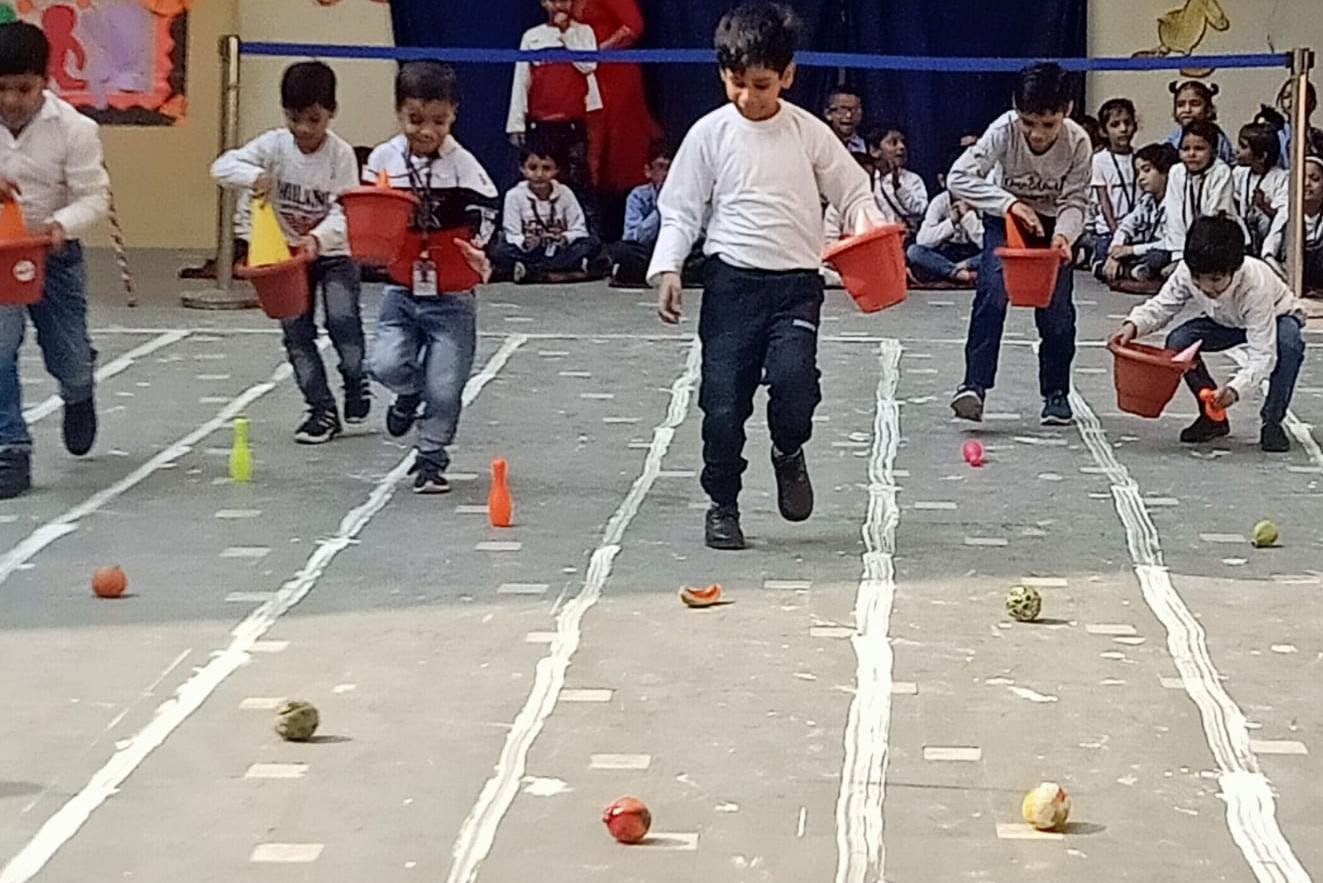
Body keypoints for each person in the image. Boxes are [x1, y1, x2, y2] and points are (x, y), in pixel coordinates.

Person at [648, 2, 885, 551]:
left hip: (796, 286)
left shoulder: (809, 133)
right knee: (722, 405)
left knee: (795, 384)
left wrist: (871, 236)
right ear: (722, 75)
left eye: (761, 84)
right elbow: (681, 208)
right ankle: (723, 504)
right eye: (737, 83)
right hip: (731, 286)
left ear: (788, 75)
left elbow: (853, 192)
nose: (749, 97)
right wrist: (669, 267)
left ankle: (788, 449)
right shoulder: (709, 134)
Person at [211, 61, 366, 445]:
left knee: (342, 318)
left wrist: (319, 239)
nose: (304, 129)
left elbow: (346, 210)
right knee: (296, 333)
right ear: (285, 114)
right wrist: (254, 176)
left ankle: (355, 376)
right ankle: (320, 409)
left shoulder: (341, 155)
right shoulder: (274, 146)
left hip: (333, 253)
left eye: (314, 120)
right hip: (284, 257)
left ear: (331, 112)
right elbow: (222, 167)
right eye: (295, 119)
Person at [363, 62, 498, 494]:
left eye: (439, 121)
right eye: (415, 119)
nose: (426, 131)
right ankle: (408, 393)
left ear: (453, 115)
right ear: (399, 112)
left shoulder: (463, 165)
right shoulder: (383, 160)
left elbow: (487, 209)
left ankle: (431, 458)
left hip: (452, 292)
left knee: (446, 386)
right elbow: (368, 209)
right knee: (383, 363)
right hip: (401, 286)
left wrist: (479, 246)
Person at [946, 61, 1092, 426]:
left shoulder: (1078, 142)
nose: (1037, 134)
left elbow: (1075, 200)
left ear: (1067, 110)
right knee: (992, 291)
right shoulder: (1003, 130)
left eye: (1048, 124)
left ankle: (1056, 392)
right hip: (1006, 218)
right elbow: (959, 177)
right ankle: (974, 385)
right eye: (1028, 122)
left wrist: (1065, 235)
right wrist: (1008, 204)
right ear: (1016, 109)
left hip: (1054, 224)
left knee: (1057, 309)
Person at [0, 21, 108, 498]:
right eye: (1, 89)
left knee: (68, 356)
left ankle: (79, 388)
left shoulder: (76, 129)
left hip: (54, 257)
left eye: (23, 89)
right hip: (2, 256)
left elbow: (94, 197)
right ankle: (10, 447)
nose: (11, 100)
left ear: (45, 81)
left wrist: (62, 224)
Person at [1111, 215, 1305, 453]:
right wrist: (1132, 325)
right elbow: (1163, 305)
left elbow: (1263, 354)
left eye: (1215, 279)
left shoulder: (1255, 286)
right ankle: (1212, 414)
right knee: (1179, 342)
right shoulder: (1188, 269)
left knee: (1288, 344)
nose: (1206, 288)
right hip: (1225, 321)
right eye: (1197, 279)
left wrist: (1235, 389)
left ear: (1234, 269)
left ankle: (1272, 421)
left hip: (1276, 316)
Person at [506, 0, 601, 219]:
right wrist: (516, 123)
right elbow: (521, 81)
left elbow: (588, 65)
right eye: (554, 0)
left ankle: (583, 230)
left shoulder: (584, 32)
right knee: (540, 178)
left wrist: (566, 32)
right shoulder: (532, 37)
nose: (559, 5)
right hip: (542, 123)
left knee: (577, 180)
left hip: (573, 122)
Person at [492, 143, 603, 284]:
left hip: (558, 248)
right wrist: (525, 242)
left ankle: (533, 271)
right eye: (533, 168)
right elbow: (511, 232)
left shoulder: (565, 192)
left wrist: (564, 238)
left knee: (592, 243)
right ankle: (564, 271)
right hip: (530, 251)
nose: (539, 175)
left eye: (546, 168)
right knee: (500, 249)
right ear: (522, 169)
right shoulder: (514, 195)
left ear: (556, 170)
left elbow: (579, 229)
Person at [610, 141, 703, 288]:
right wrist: (662, 205)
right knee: (623, 250)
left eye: (671, 169)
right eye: (660, 167)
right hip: (647, 251)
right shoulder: (638, 196)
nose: (666, 175)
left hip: (678, 253)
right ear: (648, 171)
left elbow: (699, 233)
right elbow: (632, 237)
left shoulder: (689, 195)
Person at [1100, 142, 1178, 287]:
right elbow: (1126, 226)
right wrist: (1115, 251)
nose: (1140, 178)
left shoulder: (1175, 202)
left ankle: (1132, 271)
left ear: (1165, 172)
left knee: (1158, 257)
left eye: (1147, 170)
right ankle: (1133, 271)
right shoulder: (1146, 200)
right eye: (1138, 173)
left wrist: (1130, 250)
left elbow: (1170, 242)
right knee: (1105, 245)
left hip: (1165, 250)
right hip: (1146, 248)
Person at [1161, 119, 1239, 263]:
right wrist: (1179, 255)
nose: (1191, 154)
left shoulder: (1221, 171)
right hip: (1184, 246)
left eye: (1199, 149)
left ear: (1214, 151)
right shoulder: (1176, 172)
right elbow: (1174, 214)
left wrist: (1199, 250)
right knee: (1156, 259)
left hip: (1217, 241)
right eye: (1185, 149)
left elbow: (1215, 213)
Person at [1089, 98, 1138, 272]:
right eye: (1115, 125)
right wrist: (1116, 232)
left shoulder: (1139, 157)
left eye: (1127, 123)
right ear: (1104, 131)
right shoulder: (1099, 160)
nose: (1123, 129)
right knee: (1108, 266)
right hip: (1109, 230)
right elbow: (1104, 200)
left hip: (1135, 229)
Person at [1265, 154, 1322, 293]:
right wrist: (1287, 279)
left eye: (1314, 179)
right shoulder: (1287, 213)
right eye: (1302, 178)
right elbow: (1268, 253)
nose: (1307, 184)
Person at [1231, 121, 1288, 260]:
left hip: (1269, 236)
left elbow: (1282, 217)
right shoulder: (1239, 173)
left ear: (1261, 156)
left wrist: (1264, 206)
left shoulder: (1281, 178)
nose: (1237, 150)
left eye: (1243, 147)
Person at [907, 189, 983, 286]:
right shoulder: (939, 202)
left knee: (995, 252)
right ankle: (961, 275)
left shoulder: (982, 200)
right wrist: (951, 223)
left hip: (972, 254)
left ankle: (951, 272)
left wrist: (968, 218)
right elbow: (923, 240)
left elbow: (984, 243)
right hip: (945, 252)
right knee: (914, 251)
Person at [869, 122, 927, 238]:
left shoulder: (913, 179)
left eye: (903, 142)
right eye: (893, 143)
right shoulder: (870, 181)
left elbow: (920, 210)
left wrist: (899, 188)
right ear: (875, 151)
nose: (901, 147)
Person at [1162, 80, 1236, 166]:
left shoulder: (1217, 138)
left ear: (1208, 110)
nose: (1187, 110)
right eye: (1181, 105)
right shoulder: (1174, 137)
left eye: (1194, 104)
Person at [1273, 79, 1323, 169]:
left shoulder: (1319, 137)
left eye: (1298, 94)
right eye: (1287, 96)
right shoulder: (1275, 137)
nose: (1292, 100)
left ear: (1312, 103)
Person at [824, 86, 865, 153]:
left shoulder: (869, 147)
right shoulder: (820, 143)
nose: (849, 115)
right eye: (842, 110)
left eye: (854, 110)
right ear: (828, 113)